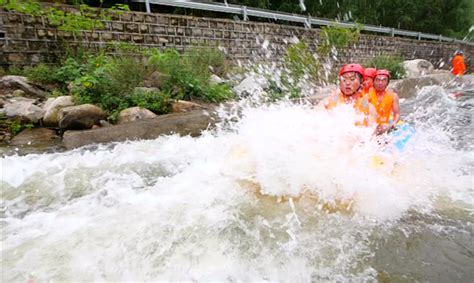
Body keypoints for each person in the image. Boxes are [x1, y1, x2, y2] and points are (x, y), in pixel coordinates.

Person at [367, 69, 400, 135]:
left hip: (384, 126)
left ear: (387, 82)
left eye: (383, 80)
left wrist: (394, 123)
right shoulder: (367, 95)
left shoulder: (393, 96)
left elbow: (396, 113)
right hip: (370, 125)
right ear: (373, 82)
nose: (380, 83)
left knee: (383, 126)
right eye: (377, 80)